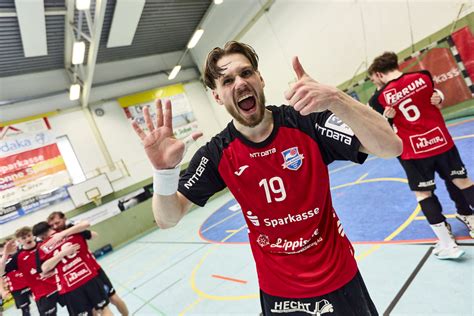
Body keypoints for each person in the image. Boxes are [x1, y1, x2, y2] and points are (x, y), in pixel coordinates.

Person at [132, 41, 402, 315]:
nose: (239, 83)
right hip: (279, 294)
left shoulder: (305, 122)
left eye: (246, 73)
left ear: (260, 79)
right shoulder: (217, 153)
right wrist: (164, 173)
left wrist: (335, 98)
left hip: (337, 281)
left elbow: (391, 146)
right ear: (217, 96)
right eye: (227, 81)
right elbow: (168, 218)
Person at [368, 51, 474, 260]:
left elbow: (383, 128)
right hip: (441, 141)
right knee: (462, 181)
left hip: (413, 152)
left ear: (379, 75)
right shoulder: (423, 76)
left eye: (373, 80)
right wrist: (440, 97)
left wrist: (386, 118)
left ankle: (447, 243)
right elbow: (435, 98)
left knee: (424, 194)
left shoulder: (378, 98)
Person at [47, 211, 129, 316]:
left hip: (94, 271)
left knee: (112, 298)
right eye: (52, 225)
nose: (55, 226)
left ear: (64, 219)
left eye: (57, 223)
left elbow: (93, 234)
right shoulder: (53, 240)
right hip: (78, 279)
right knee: (94, 310)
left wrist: (67, 232)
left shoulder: (74, 229)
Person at [34, 221, 112, 316]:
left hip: (70, 285)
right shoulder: (73, 232)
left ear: (40, 237)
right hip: (88, 276)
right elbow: (92, 232)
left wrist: (60, 256)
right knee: (103, 309)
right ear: (50, 227)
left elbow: (43, 270)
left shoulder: (42, 247)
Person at [0, 228, 58, 316]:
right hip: (41, 292)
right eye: (24, 238)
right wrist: (5, 253)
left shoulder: (43, 245)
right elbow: (1, 271)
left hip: (58, 284)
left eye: (29, 235)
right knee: (27, 310)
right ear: (19, 241)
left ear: (32, 235)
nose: (28, 239)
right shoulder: (17, 257)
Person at [0, 238, 31, 316]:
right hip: (17, 288)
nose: (12, 245)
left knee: (43, 304)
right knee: (25, 310)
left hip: (31, 283)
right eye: (9, 244)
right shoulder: (3, 260)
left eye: (13, 242)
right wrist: (2, 290)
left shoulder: (22, 252)